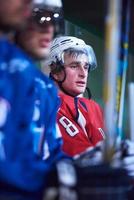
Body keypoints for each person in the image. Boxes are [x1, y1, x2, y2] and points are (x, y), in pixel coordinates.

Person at [0, 0, 63, 195]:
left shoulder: (38, 81)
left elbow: (49, 152)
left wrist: (79, 169)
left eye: (54, 19)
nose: (49, 29)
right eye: (41, 18)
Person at [47, 36, 105, 157]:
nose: (83, 74)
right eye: (74, 66)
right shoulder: (52, 106)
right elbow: (81, 158)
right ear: (55, 71)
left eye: (86, 67)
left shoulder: (92, 106)